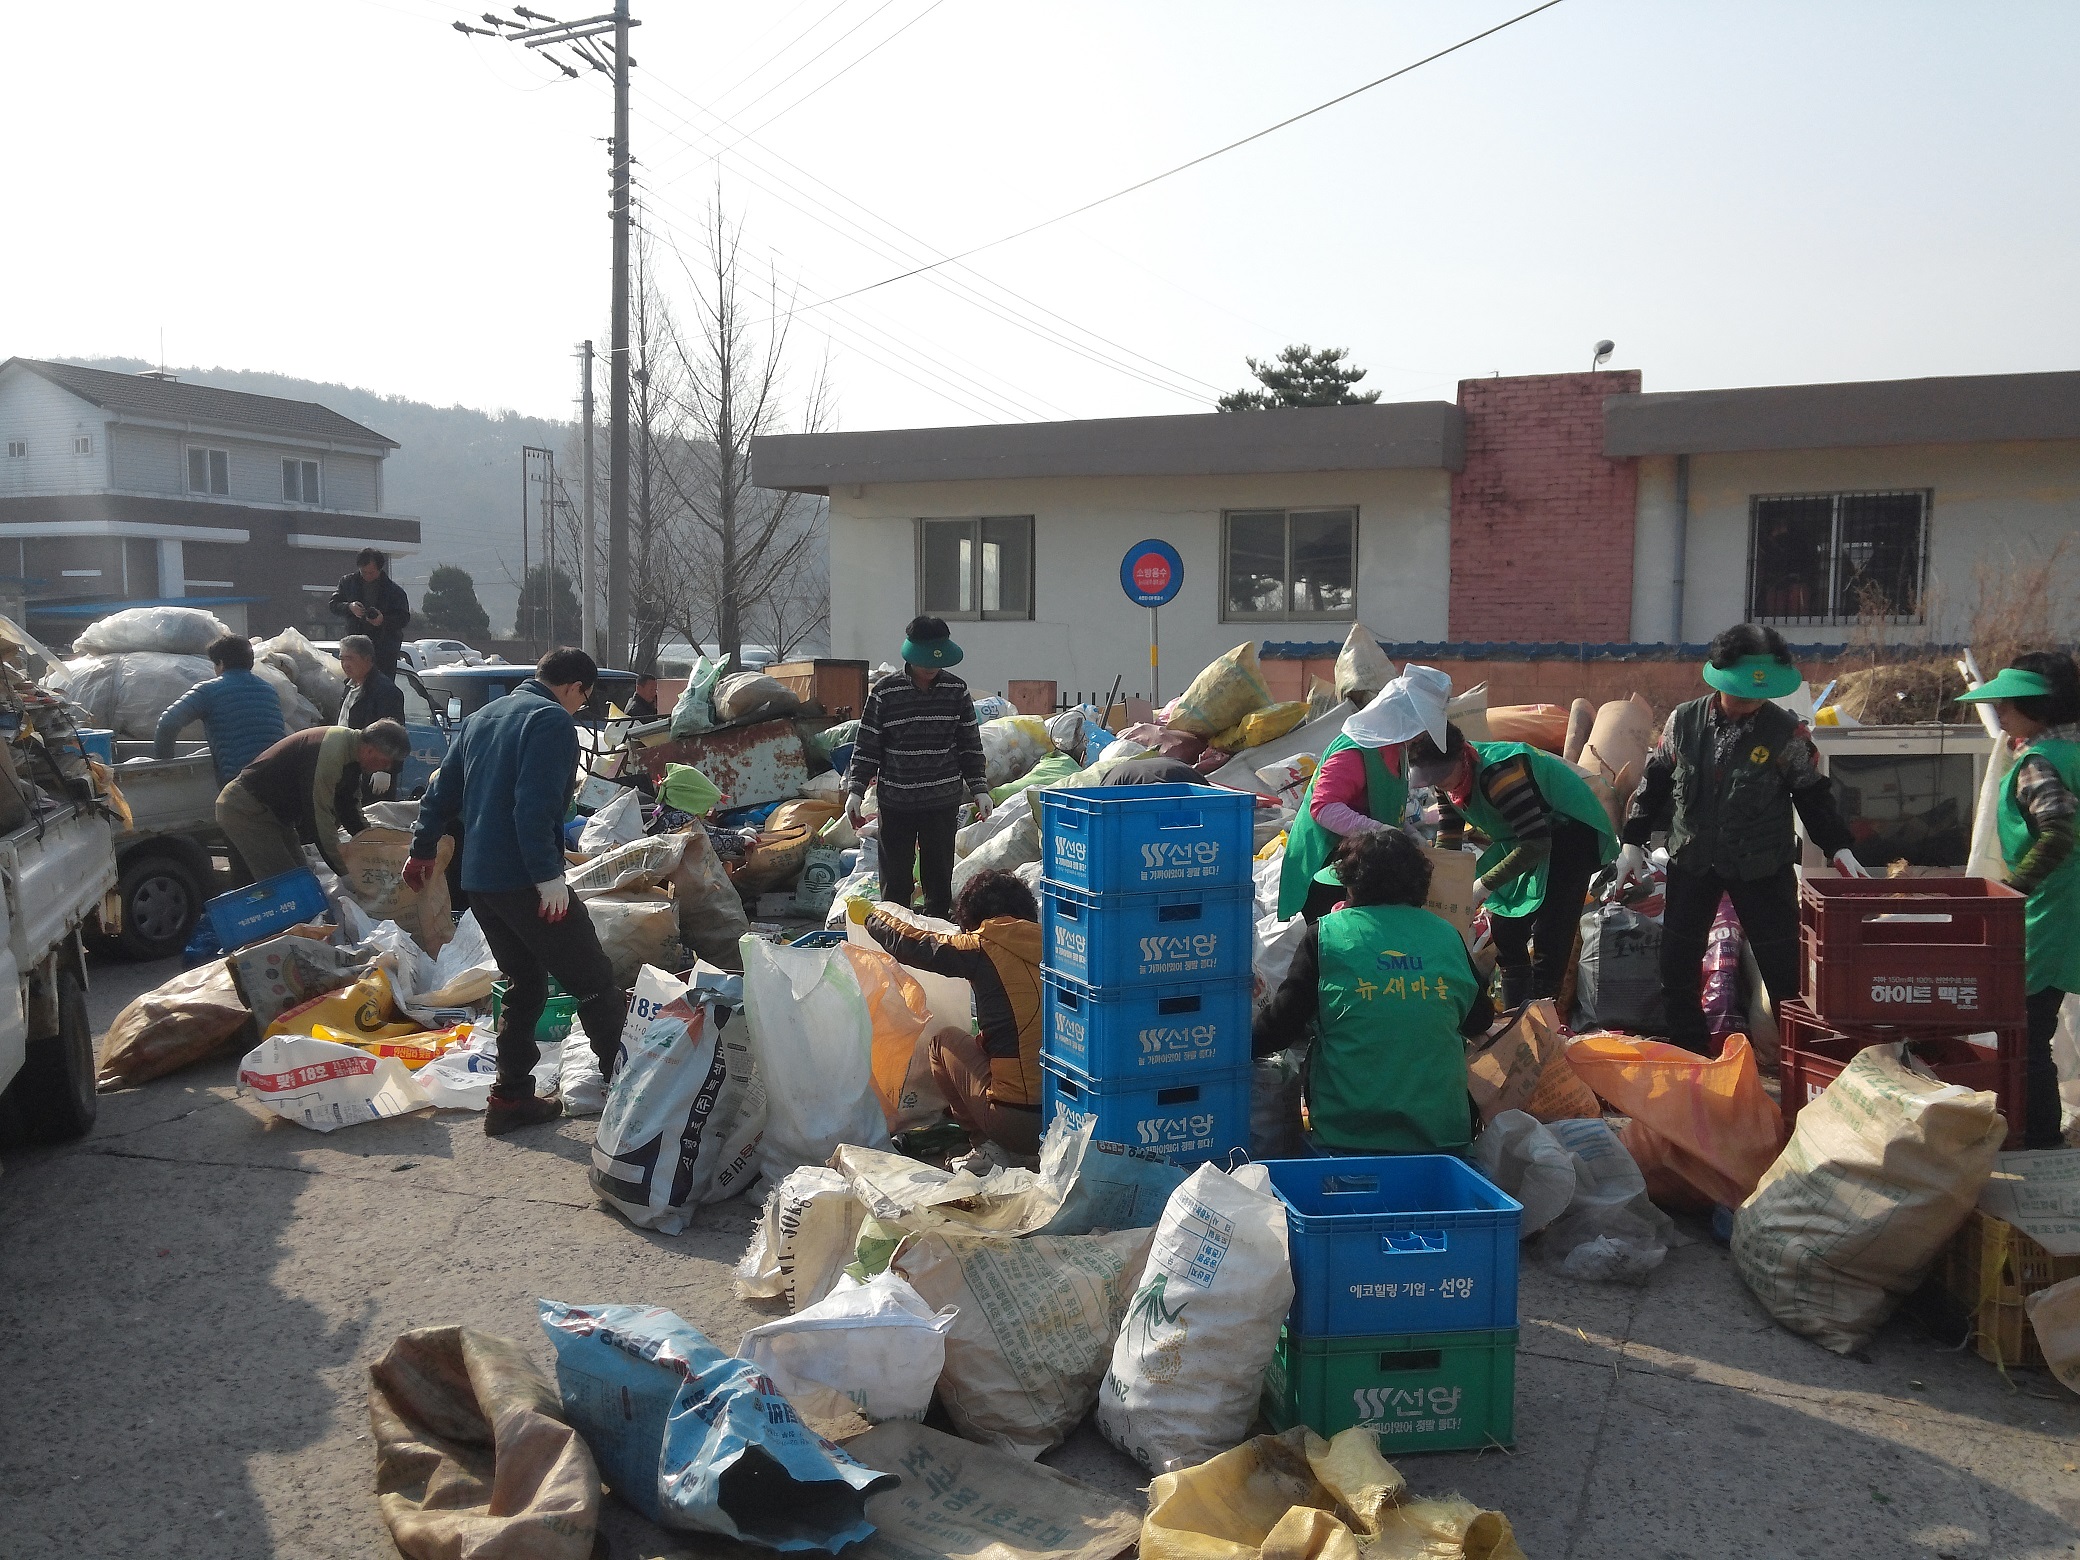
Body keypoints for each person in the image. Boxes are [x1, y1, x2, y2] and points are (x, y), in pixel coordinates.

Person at [1614, 623, 1867, 1055]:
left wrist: (1838, 846)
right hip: (1693, 857)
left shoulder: (1787, 734)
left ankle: (1797, 1061)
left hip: (1761, 864)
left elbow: (1812, 795)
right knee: (1677, 965)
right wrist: (1632, 842)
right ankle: (1691, 1054)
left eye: (1759, 694)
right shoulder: (1683, 721)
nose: (1751, 702)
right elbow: (1653, 783)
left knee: (1783, 969)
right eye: (1743, 691)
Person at [404, 648, 624, 1137]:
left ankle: (510, 1098)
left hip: (481, 881)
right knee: (593, 983)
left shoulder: (483, 718)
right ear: (575, 688)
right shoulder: (550, 722)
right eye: (584, 699)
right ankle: (634, 1104)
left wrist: (421, 850)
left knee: (524, 983)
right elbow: (533, 806)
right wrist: (548, 877)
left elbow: (440, 793)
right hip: (526, 879)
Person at [1253, 828, 1493, 1155]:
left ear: (1351, 884)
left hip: (1349, 1135)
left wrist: (1214, 1048)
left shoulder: (1326, 936)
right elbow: (1479, 1019)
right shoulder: (1447, 935)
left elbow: (1279, 1029)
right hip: (1441, 1138)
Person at [1958, 651, 2080, 1150]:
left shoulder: (2038, 763)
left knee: (2029, 1038)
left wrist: (2014, 890)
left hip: (2050, 911)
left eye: (2007, 707)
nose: (2001, 715)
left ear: (2036, 709)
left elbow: (2056, 832)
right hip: (2069, 908)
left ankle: (2040, 1142)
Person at [1405, 721, 1618, 1008]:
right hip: (1523, 838)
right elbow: (1449, 838)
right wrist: (1441, 890)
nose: (1439, 784)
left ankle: (1542, 1020)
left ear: (1461, 756)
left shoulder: (1499, 774)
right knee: (1506, 930)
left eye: (1443, 776)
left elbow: (1537, 843)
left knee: (1550, 934)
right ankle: (1514, 1017)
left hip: (1570, 835)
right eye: (1433, 779)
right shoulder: (1447, 785)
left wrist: (1482, 886)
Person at [848, 868, 1045, 1163]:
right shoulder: (1057, 949)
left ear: (973, 920)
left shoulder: (983, 946)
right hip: (1066, 1119)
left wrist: (869, 916)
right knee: (985, 1043)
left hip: (1017, 1125)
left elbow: (915, 943)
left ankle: (987, 1145)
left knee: (943, 1042)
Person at [1277, 664, 1453, 921]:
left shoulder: (1398, 749)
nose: (1421, 735)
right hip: (1328, 867)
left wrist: (1409, 833)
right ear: (1402, 717)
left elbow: (1385, 804)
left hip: (1364, 866)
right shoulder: (1355, 749)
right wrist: (1381, 831)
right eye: (1420, 725)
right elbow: (1324, 808)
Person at [845, 616, 991, 919]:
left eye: (937, 661)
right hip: (896, 801)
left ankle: (934, 941)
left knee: (938, 883)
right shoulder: (885, 693)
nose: (931, 668)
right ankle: (897, 941)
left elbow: (969, 744)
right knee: (896, 884)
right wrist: (856, 791)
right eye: (925, 660)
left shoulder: (956, 691)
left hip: (942, 800)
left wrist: (980, 789)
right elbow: (868, 745)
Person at [215, 720, 410, 883]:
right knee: (288, 886)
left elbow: (350, 810)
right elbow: (319, 818)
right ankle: (284, 929)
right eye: (386, 761)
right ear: (370, 750)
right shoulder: (333, 751)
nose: (386, 767)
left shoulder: (351, 755)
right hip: (246, 811)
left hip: (274, 816)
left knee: (304, 879)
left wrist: (374, 850)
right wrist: (345, 872)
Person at [154, 634, 286, 784]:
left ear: (221, 663)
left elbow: (167, 723)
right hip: (280, 777)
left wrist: (164, 764)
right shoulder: (269, 690)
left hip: (243, 782)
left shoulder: (209, 690)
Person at [329, 548, 411, 676]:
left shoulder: (394, 591)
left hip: (383, 649)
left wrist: (383, 620)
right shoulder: (347, 583)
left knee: (382, 687)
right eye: (364, 572)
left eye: (371, 573)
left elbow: (404, 618)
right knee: (355, 684)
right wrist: (350, 607)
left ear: (379, 569)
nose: (367, 576)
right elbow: (333, 605)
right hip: (355, 645)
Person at [337, 634, 406, 731]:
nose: (345, 665)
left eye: (350, 659)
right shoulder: (349, 686)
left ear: (367, 659)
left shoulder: (386, 692)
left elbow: (390, 737)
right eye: (342, 659)